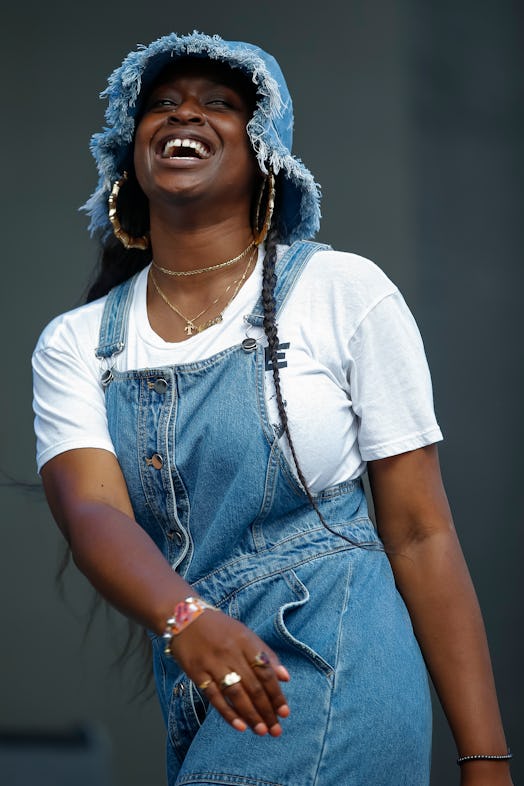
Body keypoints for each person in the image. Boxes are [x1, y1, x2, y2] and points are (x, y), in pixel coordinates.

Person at [32, 31, 512, 786]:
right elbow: (93, 515)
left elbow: (420, 533)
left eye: (218, 104)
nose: (183, 114)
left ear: (265, 154)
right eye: (161, 104)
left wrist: (485, 761)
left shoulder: (342, 292)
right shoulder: (81, 343)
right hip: (203, 689)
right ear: (129, 156)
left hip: (337, 661)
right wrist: (185, 618)